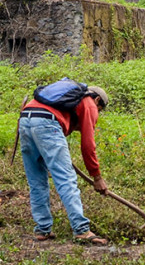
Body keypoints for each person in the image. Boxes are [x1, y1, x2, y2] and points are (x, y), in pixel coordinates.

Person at [18, 84, 110, 245]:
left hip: (25, 119)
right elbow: (88, 145)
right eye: (99, 110)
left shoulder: (63, 98)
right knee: (66, 179)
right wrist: (97, 177)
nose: (97, 113)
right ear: (97, 100)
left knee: (36, 180)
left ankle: (42, 229)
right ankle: (81, 229)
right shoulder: (90, 103)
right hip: (47, 123)